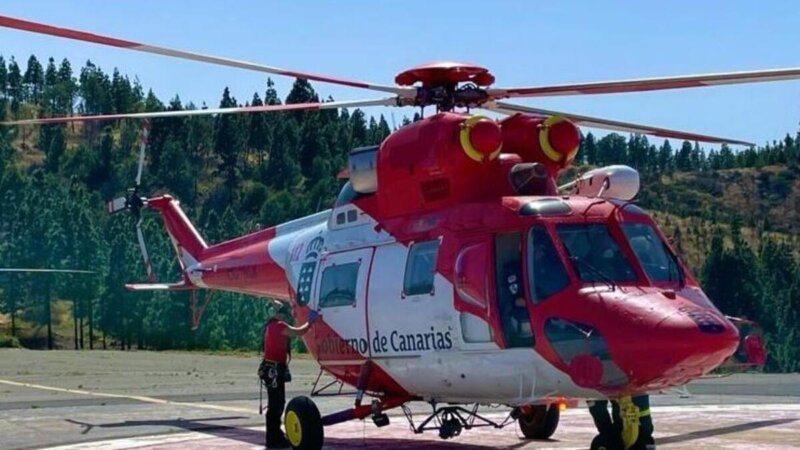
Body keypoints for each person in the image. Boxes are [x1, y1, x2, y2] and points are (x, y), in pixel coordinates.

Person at [260, 300, 318, 449]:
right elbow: (299, 332)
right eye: (283, 313)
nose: (286, 317)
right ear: (278, 314)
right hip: (274, 370)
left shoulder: (270, 326)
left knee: (276, 404)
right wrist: (310, 322)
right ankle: (273, 438)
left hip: (270, 369)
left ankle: (274, 436)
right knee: (276, 405)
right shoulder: (279, 326)